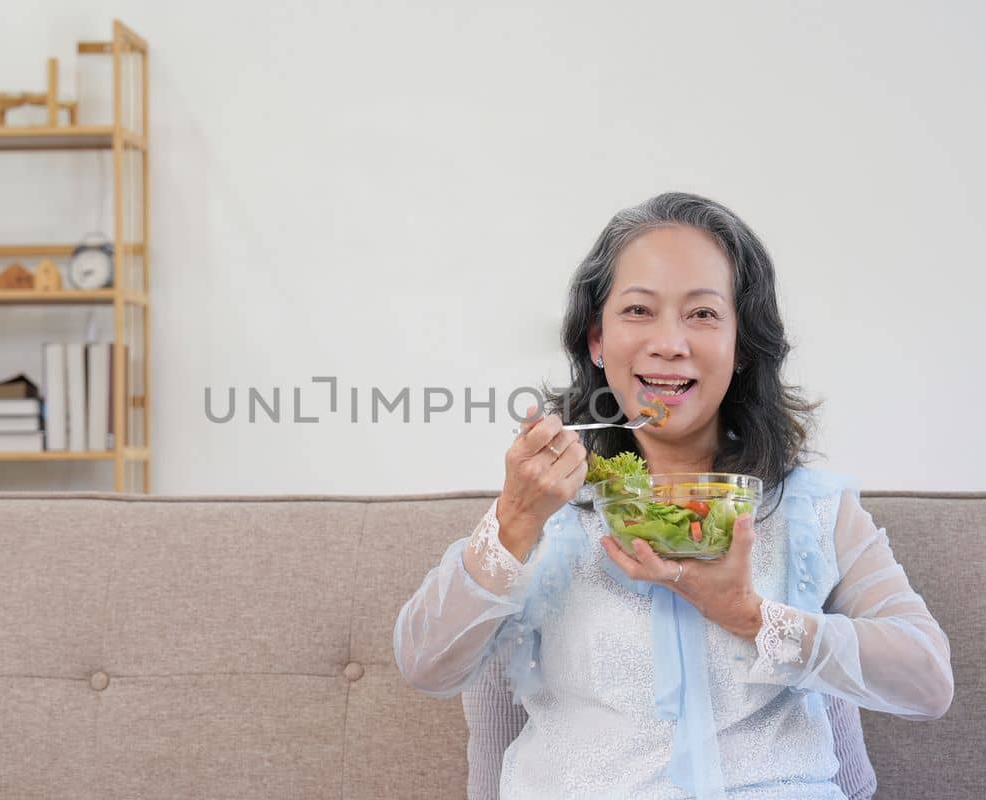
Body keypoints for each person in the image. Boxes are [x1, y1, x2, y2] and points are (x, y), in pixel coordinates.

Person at [394, 192, 953, 799]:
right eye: (638, 310)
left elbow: (927, 681)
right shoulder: (545, 509)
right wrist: (513, 521)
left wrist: (749, 616)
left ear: (742, 345)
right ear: (596, 341)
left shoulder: (811, 508)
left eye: (703, 315)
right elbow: (425, 664)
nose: (669, 343)